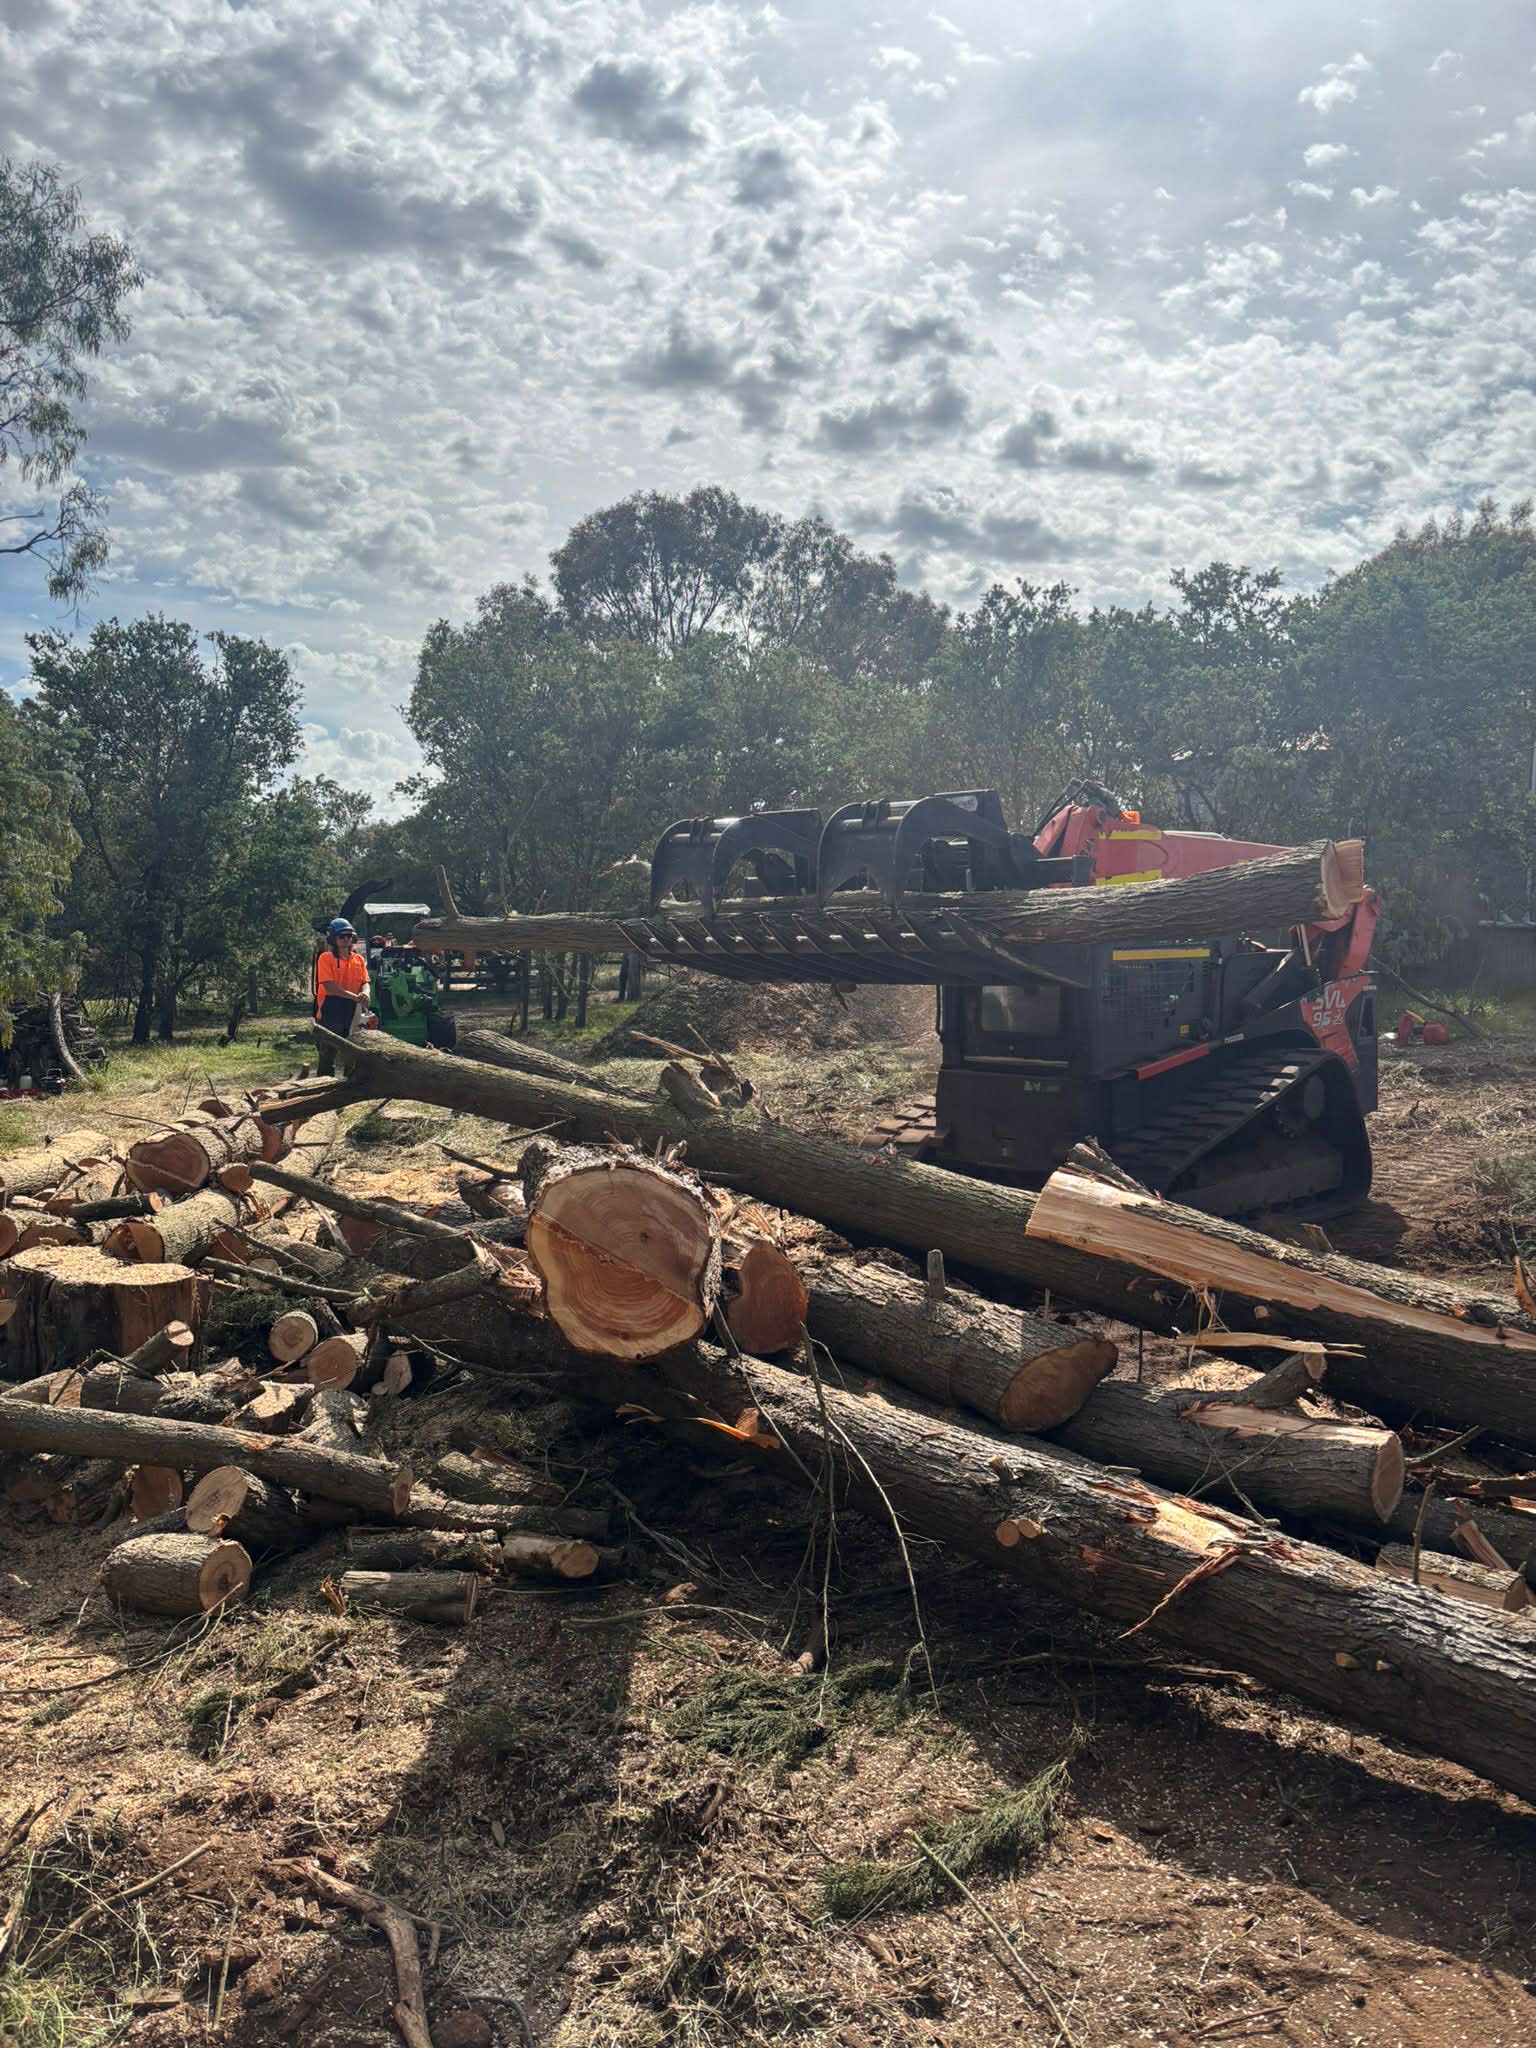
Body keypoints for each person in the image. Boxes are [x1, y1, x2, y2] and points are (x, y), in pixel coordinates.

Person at [314, 918, 370, 1074]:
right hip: (331, 1009)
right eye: (341, 936)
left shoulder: (358, 959)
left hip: (352, 1009)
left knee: (353, 1049)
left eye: (349, 936)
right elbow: (330, 987)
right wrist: (354, 996)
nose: (346, 939)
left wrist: (365, 993)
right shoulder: (326, 958)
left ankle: (350, 1084)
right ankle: (323, 1085)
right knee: (328, 1053)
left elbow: (365, 982)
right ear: (333, 939)